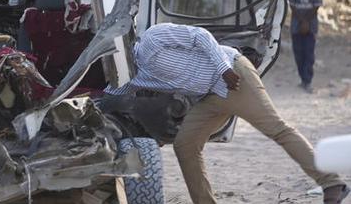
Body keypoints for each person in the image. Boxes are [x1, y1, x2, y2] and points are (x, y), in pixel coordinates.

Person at [106, 22, 347, 204]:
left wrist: (224, 70)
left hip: (234, 76)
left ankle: (332, 183)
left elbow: (200, 36)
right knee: (185, 145)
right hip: (210, 97)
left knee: (278, 130)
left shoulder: (152, 39)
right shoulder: (133, 77)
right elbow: (110, 95)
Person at [290, 0, 322, 93]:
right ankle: (302, 78)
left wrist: (307, 22)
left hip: (311, 26)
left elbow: (316, 7)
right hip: (297, 26)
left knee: (309, 54)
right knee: (299, 53)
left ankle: (307, 81)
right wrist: (301, 22)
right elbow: (292, 5)